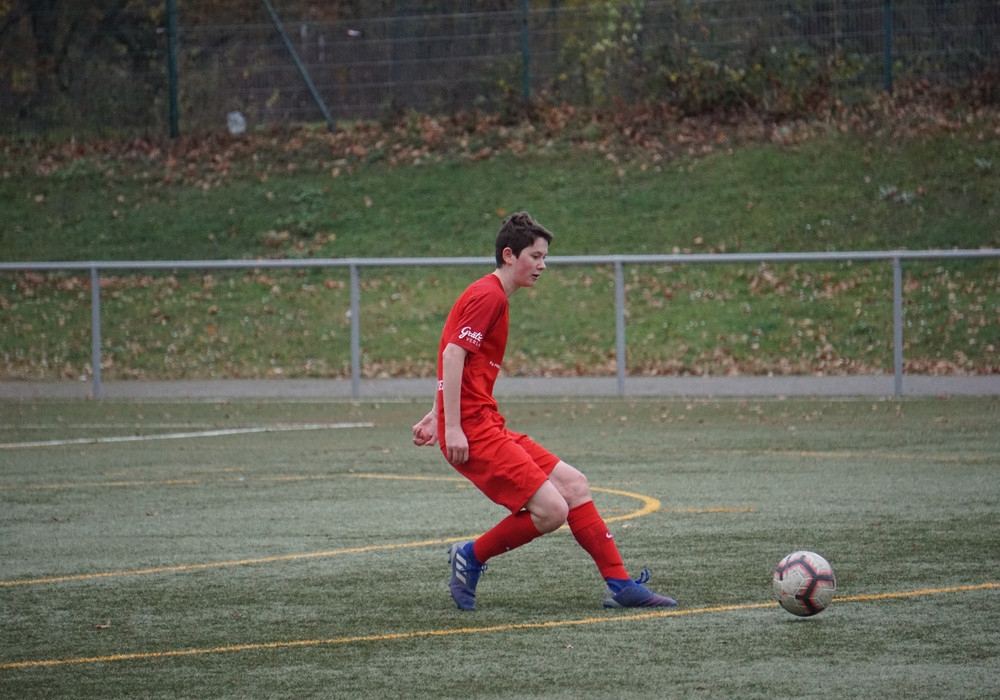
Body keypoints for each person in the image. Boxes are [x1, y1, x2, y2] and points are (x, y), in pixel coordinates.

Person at [411, 211, 677, 611]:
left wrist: (436, 413)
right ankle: (471, 555)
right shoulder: (490, 295)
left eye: (544, 257)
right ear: (508, 255)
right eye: (535, 256)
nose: (542, 265)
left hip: (482, 422)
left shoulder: (489, 293)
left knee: (574, 484)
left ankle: (620, 585)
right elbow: (453, 353)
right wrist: (451, 428)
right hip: (473, 429)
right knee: (552, 510)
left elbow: (452, 351)